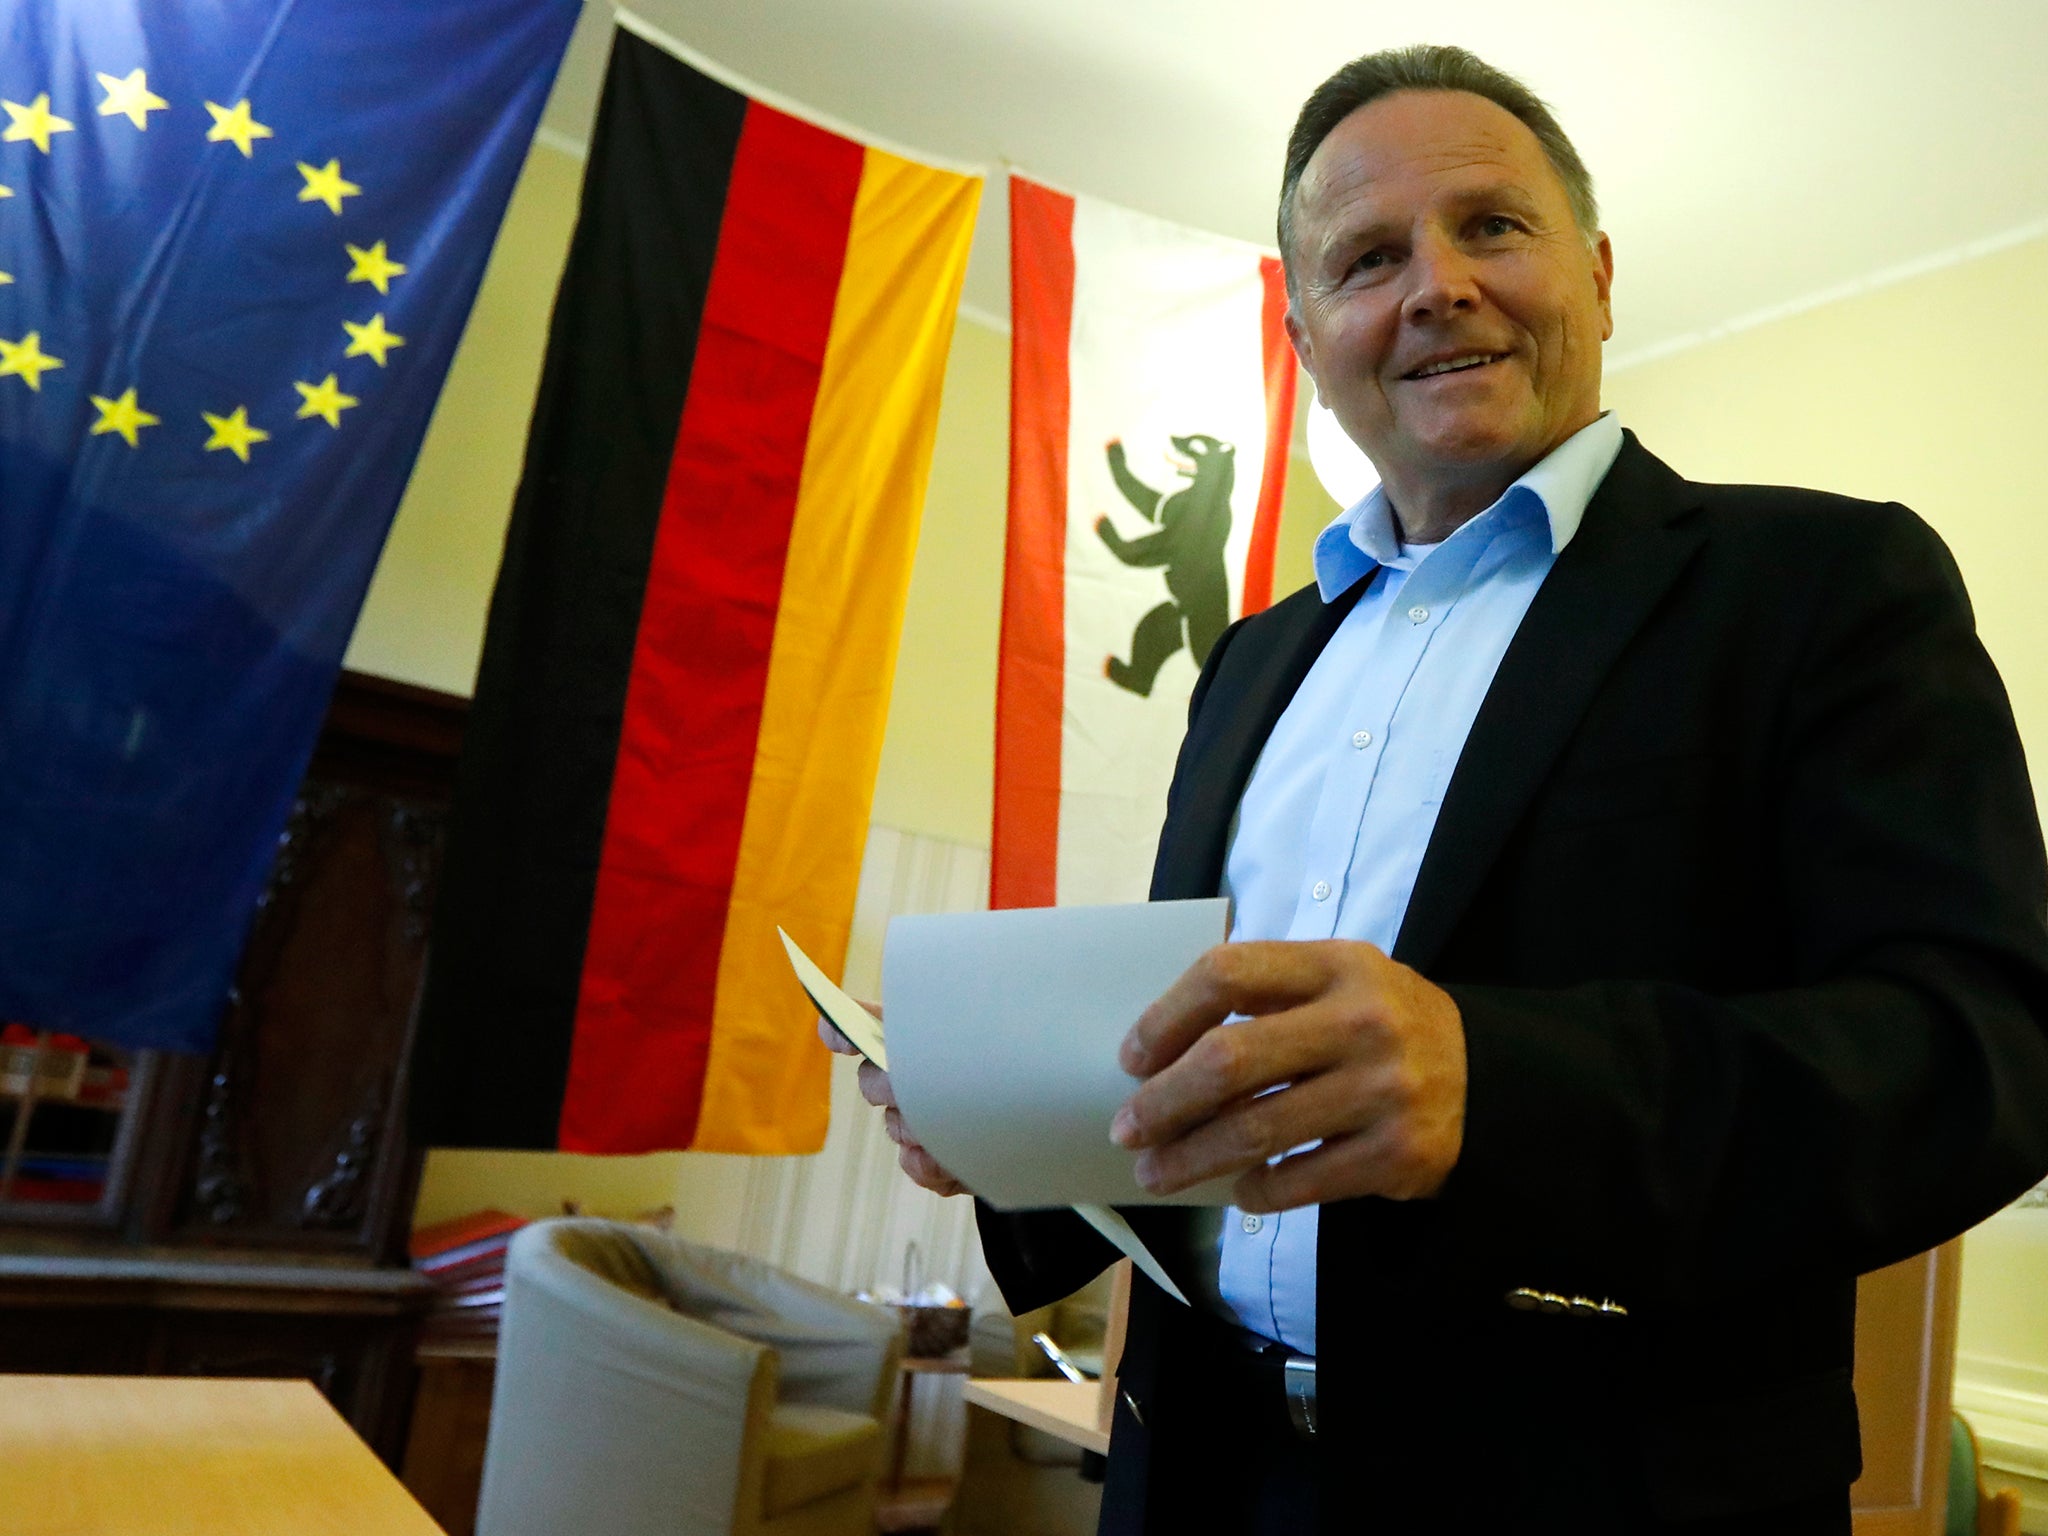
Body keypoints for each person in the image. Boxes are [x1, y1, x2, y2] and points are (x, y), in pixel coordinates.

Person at [825, 43, 2048, 1535]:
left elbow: (1986, 1054)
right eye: (1367, 258)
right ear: (1308, 333)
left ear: (1596, 274)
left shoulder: (1824, 585)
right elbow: (1209, 1071)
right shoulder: (1252, 664)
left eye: (1492, 226)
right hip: (1193, 1472)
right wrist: (1010, 1127)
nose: (1435, 286)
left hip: (1603, 1495)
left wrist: (1502, 1082)